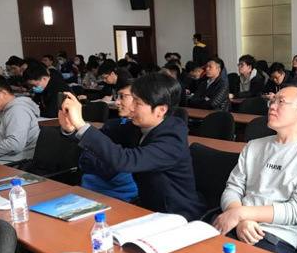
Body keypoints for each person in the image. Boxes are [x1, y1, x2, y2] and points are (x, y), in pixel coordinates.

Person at [59, 72, 205, 219]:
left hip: (175, 216)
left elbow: (125, 161)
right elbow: (102, 136)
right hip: (147, 210)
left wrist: (81, 124)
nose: (131, 107)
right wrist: (71, 128)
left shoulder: (172, 140)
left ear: (161, 110)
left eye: (138, 103)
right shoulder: (138, 126)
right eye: (133, 100)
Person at [213, 85, 297, 253]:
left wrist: (241, 214)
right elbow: (233, 188)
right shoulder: (254, 146)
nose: (272, 106)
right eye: (272, 101)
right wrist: (241, 220)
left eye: (281, 101)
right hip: (233, 225)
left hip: (274, 238)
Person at [79, 80, 139, 202]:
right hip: (89, 190)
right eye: (117, 96)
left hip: (122, 197)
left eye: (122, 97)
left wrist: (102, 162)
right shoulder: (112, 125)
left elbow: (123, 168)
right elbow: (84, 158)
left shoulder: (144, 133)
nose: (117, 102)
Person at [0, 74, 40, 164]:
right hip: (1, 158)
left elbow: (14, 145)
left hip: (13, 162)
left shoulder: (18, 111)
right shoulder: (5, 109)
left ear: (3, 94)